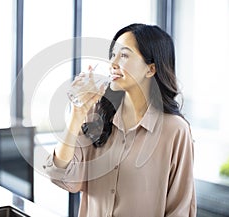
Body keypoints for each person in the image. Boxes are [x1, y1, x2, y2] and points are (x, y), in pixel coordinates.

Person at [43, 23, 196, 217]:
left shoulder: (175, 130)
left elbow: (179, 209)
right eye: (112, 55)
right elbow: (61, 175)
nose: (113, 63)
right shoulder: (97, 116)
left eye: (123, 55)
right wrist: (76, 115)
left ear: (150, 69)